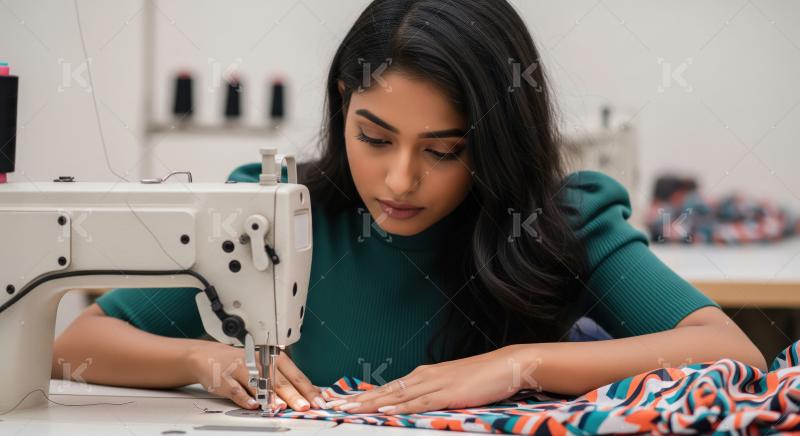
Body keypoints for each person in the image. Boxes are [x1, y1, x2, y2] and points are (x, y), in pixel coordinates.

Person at [53, 0, 765, 416]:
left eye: (444, 150)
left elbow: (730, 350)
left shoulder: (559, 223)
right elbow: (76, 344)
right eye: (374, 137)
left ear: (494, 142)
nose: (399, 179)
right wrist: (204, 360)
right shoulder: (269, 212)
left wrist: (519, 365)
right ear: (343, 105)